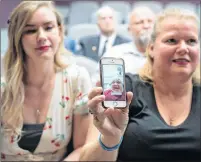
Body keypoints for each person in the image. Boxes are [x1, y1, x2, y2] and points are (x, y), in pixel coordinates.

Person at [80, 8, 200, 161]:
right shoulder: (125, 89)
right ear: (151, 49)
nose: (184, 48)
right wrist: (110, 139)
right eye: (172, 40)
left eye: (191, 41)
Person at [1, 1, 93, 161]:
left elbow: (81, 148)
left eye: (48, 27)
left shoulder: (76, 79)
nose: (42, 37)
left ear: (60, 31)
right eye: (31, 30)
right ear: (18, 38)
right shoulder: (3, 82)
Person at [103, 6, 156, 74]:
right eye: (139, 22)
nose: (146, 26)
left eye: (150, 21)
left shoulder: (167, 54)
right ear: (129, 29)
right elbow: (98, 82)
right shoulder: (114, 55)